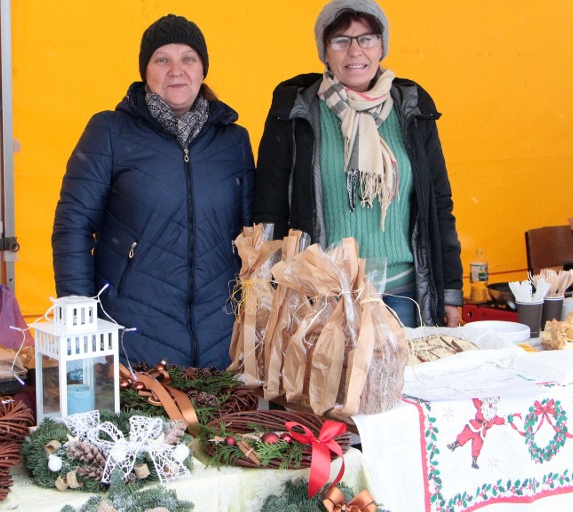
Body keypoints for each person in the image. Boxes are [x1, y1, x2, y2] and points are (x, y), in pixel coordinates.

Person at [52, 14, 254, 369]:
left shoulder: (234, 140)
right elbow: (73, 225)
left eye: (188, 58)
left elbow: (254, 235)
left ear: (202, 70)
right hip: (132, 336)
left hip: (222, 338)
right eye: (162, 59)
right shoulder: (110, 131)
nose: (176, 70)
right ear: (146, 71)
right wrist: (77, 313)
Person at [253, 0, 462, 327]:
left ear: (382, 47)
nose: (355, 51)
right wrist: (268, 293)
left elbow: (438, 204)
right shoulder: (294, 113)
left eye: (367, 38)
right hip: (324, 298)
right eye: (341, 40)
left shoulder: (413, 110)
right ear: (325, 51)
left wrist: (450, 290)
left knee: (406, 378)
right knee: (330, 380)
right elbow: (270, 208)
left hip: (403, 297)